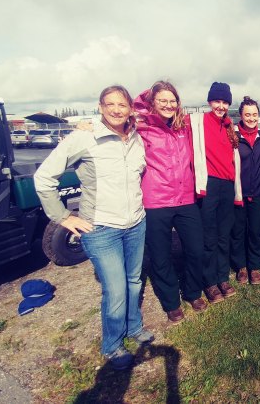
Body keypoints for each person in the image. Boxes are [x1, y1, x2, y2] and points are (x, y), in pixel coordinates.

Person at [34, 85, 151, 370]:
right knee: (116, 288)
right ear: (100, 107)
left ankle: (134, 327)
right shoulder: (84, 137)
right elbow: (44, 177)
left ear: (130, 109)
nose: (116, 110)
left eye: (122, 105)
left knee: (134, 280)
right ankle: (112, 344)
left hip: (136, 223)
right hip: (101, 229)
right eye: (110, 104)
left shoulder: (136, 138)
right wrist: (63, 217)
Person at [132, 81, 207, 325]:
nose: (168, 104)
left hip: (185, 198)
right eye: (162, 100)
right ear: (152, 102)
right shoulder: (140, 127)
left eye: (172, 100)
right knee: (161, 255)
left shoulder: (182, 126)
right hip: (156, 200)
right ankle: (171, 302)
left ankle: (193, 292)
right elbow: (114, 124)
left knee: (196, 249)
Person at [191, 82, 243, 303]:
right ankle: (209, 281)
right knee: (209, 236)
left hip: (227, 186)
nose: (221, 106)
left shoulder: (230, 125)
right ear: (209, 101)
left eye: (224, 102)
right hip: (209, 185)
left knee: (223, 235)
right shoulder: (197, 121)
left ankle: (222, 277)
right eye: (217, 101)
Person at [230, 96, 260, 285]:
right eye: (247, 114)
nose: (251, 118)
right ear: (241, 115)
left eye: (254, 114)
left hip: (258, 192)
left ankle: (255, 266)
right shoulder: (233, 136)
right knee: (238, 231)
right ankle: (241, 266)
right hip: (238, 193)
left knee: (256, 231)